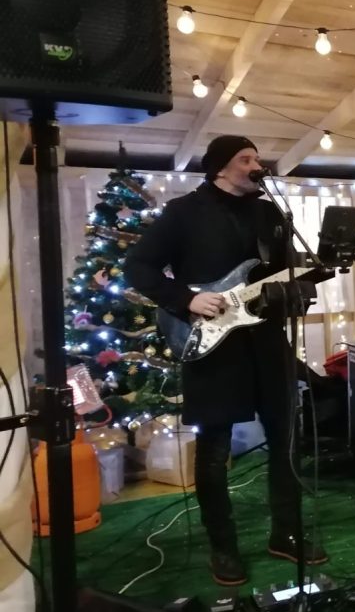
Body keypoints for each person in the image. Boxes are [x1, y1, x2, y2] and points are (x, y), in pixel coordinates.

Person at [126, 135, 327, 585]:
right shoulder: (183, 212)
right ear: (220, 167)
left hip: (267, 340)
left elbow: (282, 273)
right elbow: (138, 266)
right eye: (245, 158)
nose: (257, 165)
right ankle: (223, 546)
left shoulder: (270, 214)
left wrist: (306, 280)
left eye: (258, 157)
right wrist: (186, 299)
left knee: (287, 439)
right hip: (210, 343)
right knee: (214, 449)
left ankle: (286, 534)